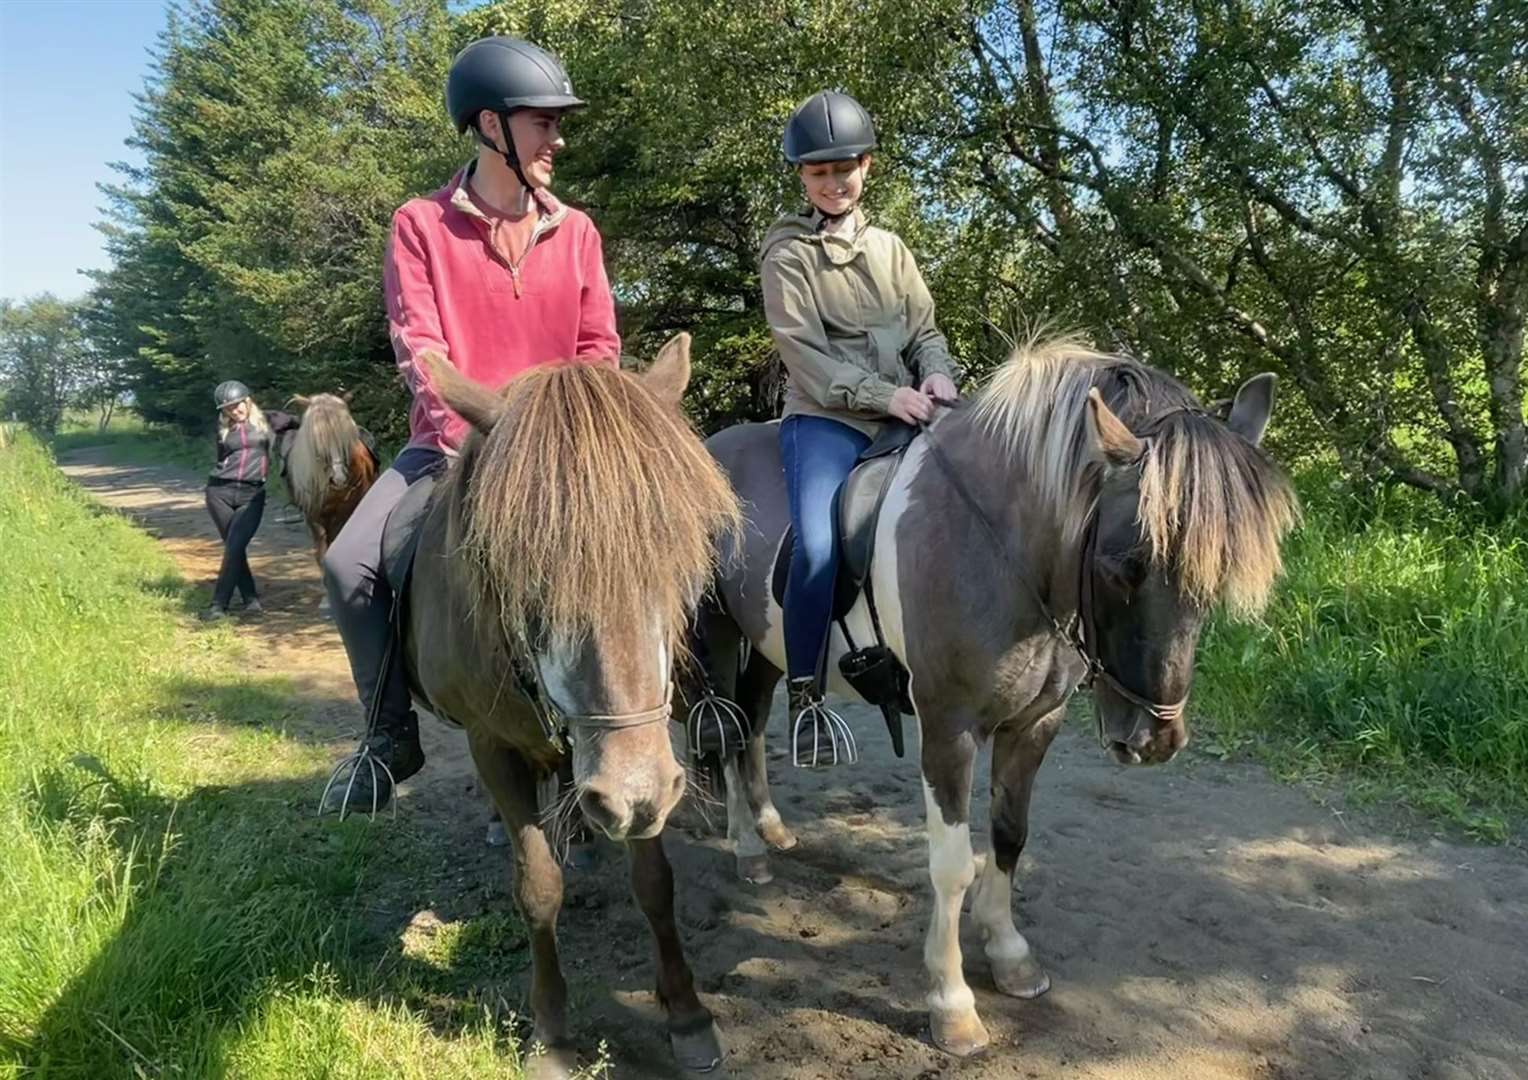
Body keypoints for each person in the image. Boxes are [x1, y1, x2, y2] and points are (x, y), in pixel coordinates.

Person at [320, 36, 621, 814]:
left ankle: (676, 703)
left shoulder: (577, 231)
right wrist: (477, 424)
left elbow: (599, 348)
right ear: (490, 126)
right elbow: (420, 343)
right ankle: (389, 735)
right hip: (449, 446)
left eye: (558, 124)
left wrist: (568, 436)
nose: (557, 139)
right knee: (349, 563)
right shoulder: (419, 225)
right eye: (542, 123)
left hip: (560, 457)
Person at [760, 89, 959, 767]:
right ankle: (807, 696)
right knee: (817, 546)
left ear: (867, 166)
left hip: (908, 406)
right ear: (802, 179)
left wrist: (935, 374)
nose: (833, 182)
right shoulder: (787, 257)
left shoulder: (892, 249)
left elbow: (925, 329)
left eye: (844, 168)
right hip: (828, 419)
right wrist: (886, 395)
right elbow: (807, 358)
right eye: (819, 173)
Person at [203, 380, 299, 621]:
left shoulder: (270, 420)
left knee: (235, 546)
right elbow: (220, 458)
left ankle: (218, 605)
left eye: (238, 405)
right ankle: (250, 599)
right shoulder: (224, 430)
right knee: (234, 548)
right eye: (229, 408)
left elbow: (301, 423)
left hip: (252, 494)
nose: (235, 411)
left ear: (247, 401)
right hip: (218, 493)